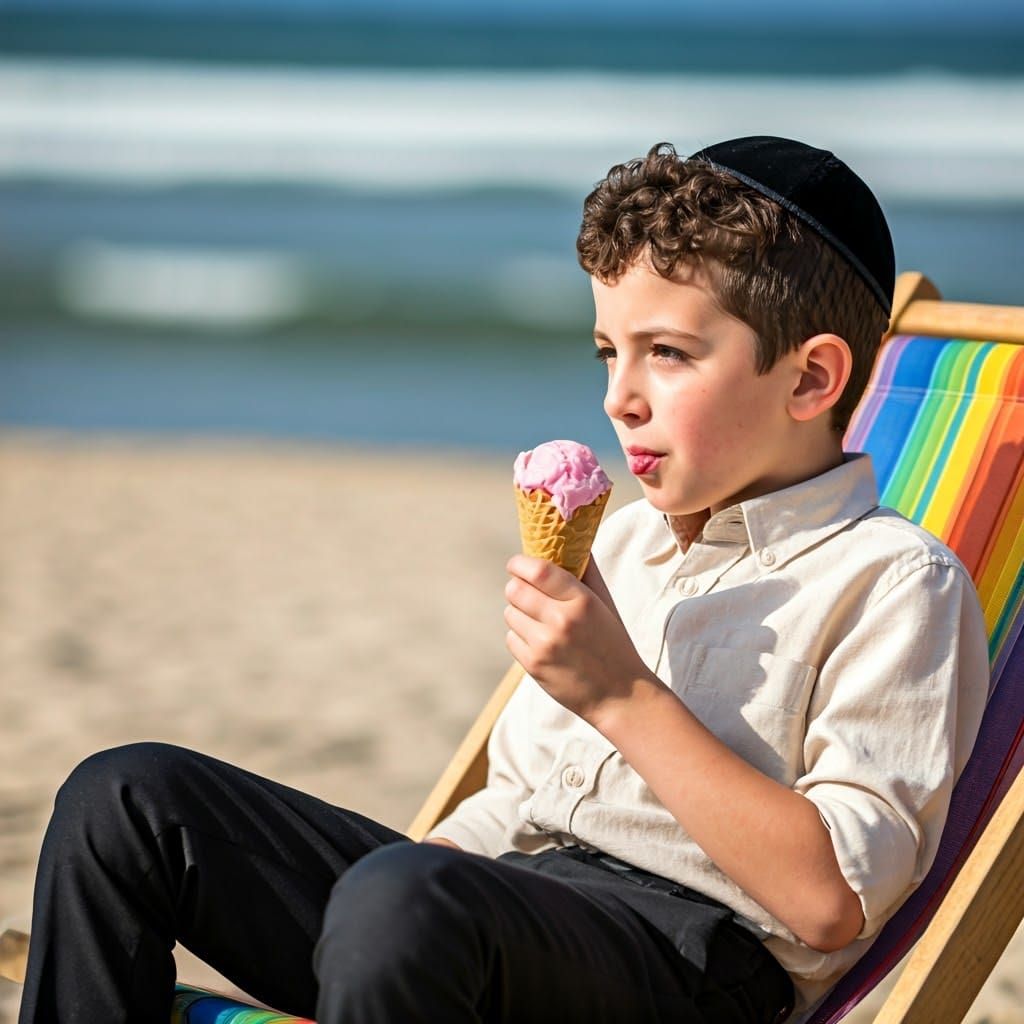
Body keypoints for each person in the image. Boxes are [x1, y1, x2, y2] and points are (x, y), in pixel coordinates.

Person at [18, 137, 989, 1024]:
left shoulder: (896, 582)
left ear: (811, 380)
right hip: (503, 913)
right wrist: (428, 862)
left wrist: (619, 694)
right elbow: (521, 795)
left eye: (667, 353)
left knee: (402, 902)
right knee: (125, 799)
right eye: (610, 350)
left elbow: (829, 902)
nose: (620, 395)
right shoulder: (626, 546)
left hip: (690, 967)